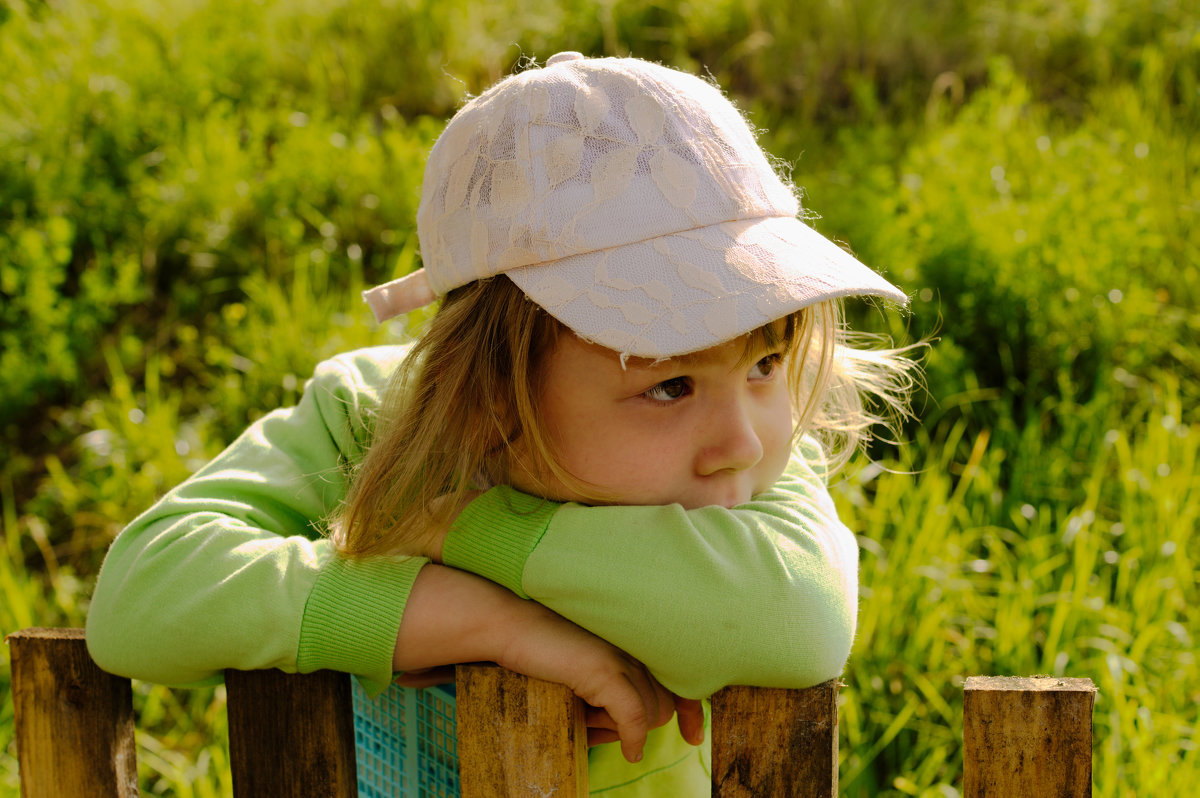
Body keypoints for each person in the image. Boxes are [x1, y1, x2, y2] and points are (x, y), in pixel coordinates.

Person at [87, 52, 918, 794]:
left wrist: (467, 529)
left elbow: (796, 624)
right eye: (669, 387)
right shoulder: (368, 419)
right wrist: (489, 622)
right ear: (487, 387)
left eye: (766, 364)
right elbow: (140, 598)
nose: (744, 438)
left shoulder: (754, 474)